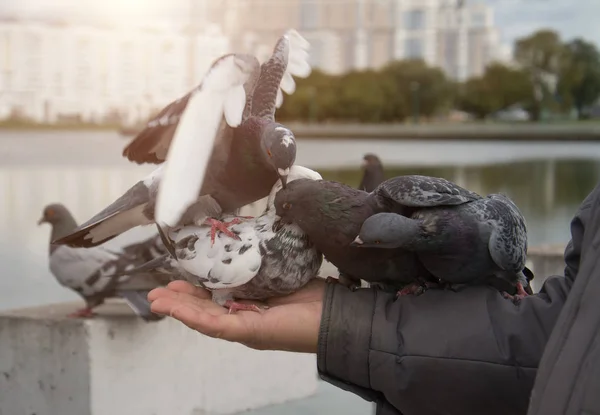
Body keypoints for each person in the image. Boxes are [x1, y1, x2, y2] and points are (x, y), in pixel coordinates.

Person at [148, 183, 600, 415]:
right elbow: (566, 335)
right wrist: (361, 323)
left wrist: (515, 284)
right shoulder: (404, 217)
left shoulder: (490, 233)